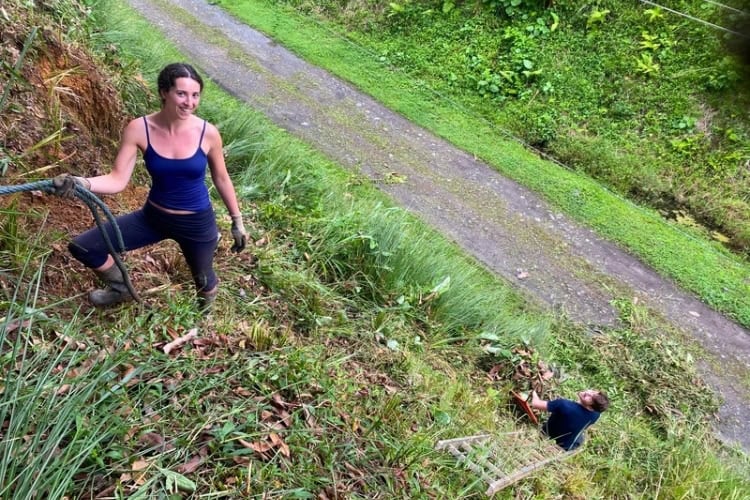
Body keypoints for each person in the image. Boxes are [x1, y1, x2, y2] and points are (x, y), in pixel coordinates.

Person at [50, 62, 246, 310]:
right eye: (182, 93)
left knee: (204, 280)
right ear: (165, 92)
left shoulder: (208, 133)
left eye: (195, 95)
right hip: (153, 217)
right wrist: (80, 183)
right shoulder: (139, 129)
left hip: (196, 223)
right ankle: (120, 289)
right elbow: (117, 179)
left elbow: (222, 178)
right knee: (83, 246)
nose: (189, 102)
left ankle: (204, 317)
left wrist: (237, 221)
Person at [530, 389, 609, 451]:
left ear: (591, 407)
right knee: (580, 437)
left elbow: (535, 404)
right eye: (592, 392)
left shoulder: (563, 404)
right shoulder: (596, 415)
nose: (588, 393)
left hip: (546, 434)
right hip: (566, 445)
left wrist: (533, 392)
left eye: (591, 399)